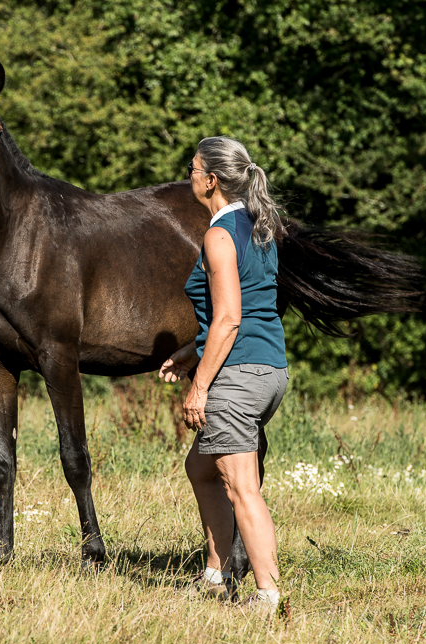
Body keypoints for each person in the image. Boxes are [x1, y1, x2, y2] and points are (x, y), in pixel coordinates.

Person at [159, 136, 289, 611]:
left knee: (241, 486)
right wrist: (191, 352)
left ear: (211, 180)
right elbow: (252, 306)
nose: (187, 174)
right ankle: (215, 575)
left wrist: (199, 388)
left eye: (192, 168)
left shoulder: (218, 235)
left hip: (238, 374)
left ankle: (268, 595)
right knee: (201, 466)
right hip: (270, 367)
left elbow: (230, 317)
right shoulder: (259, 226)